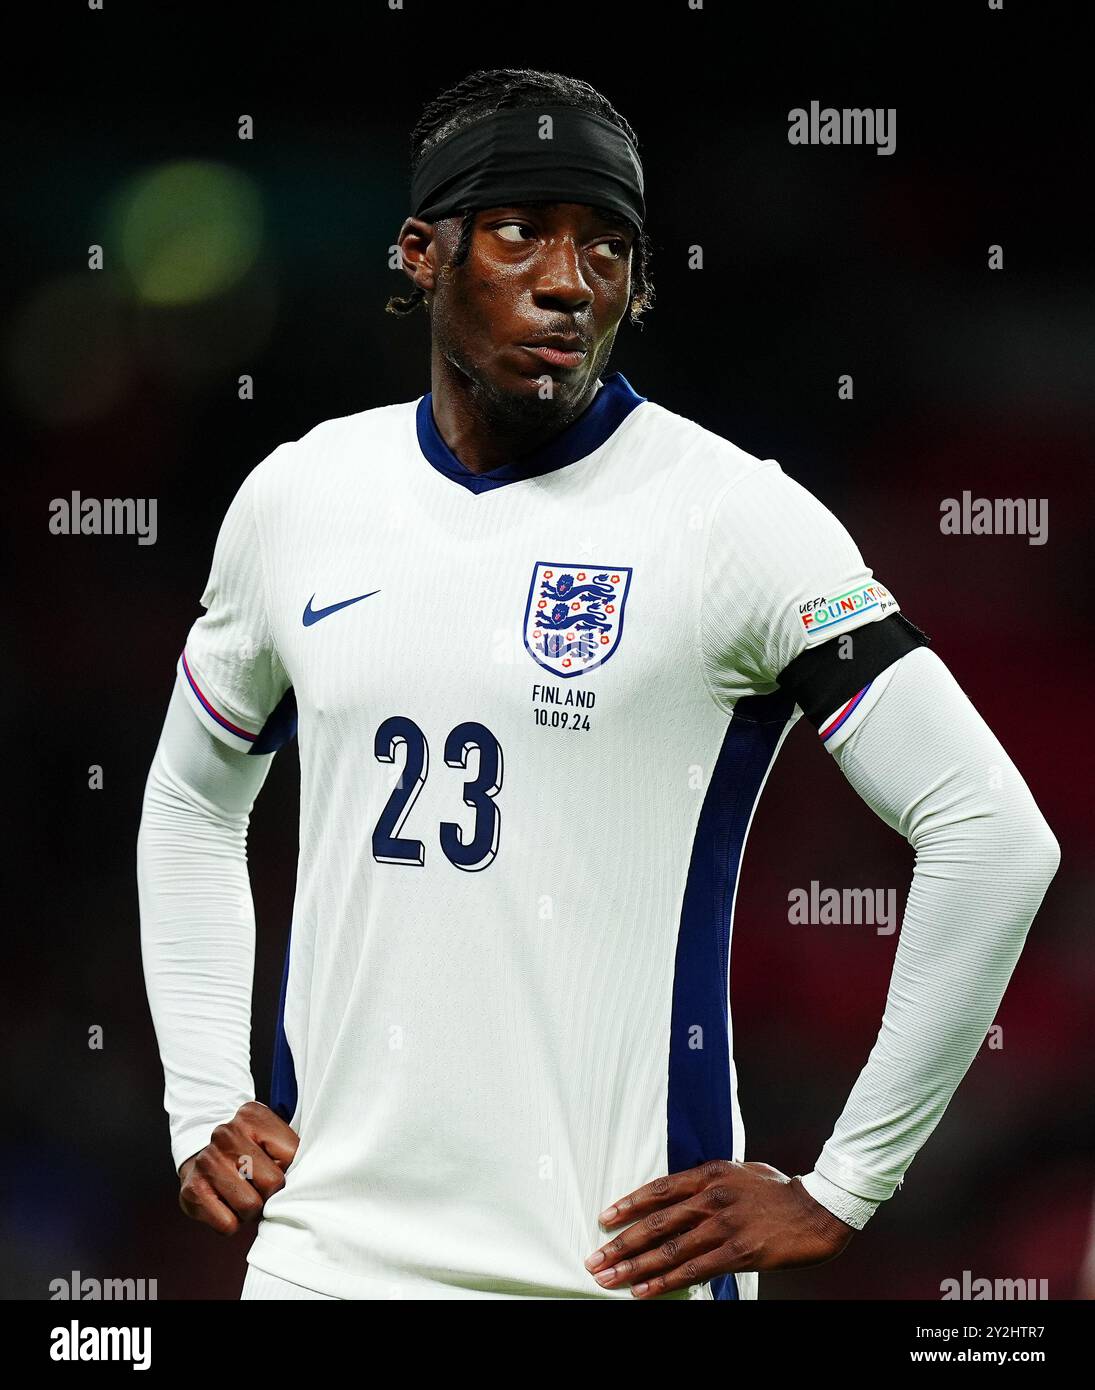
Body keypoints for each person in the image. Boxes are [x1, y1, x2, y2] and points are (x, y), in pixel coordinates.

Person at [137, 67, 1060, 1301]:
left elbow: (994, 835)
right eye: (521, 232)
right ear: (422, 252)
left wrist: (847, 1183)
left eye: (608, 247)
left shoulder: (734, 518)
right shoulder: (302, 497)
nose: (569, 282)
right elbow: (193, 802)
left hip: (605, 1274)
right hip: (324, 1263)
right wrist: (202, 1090)